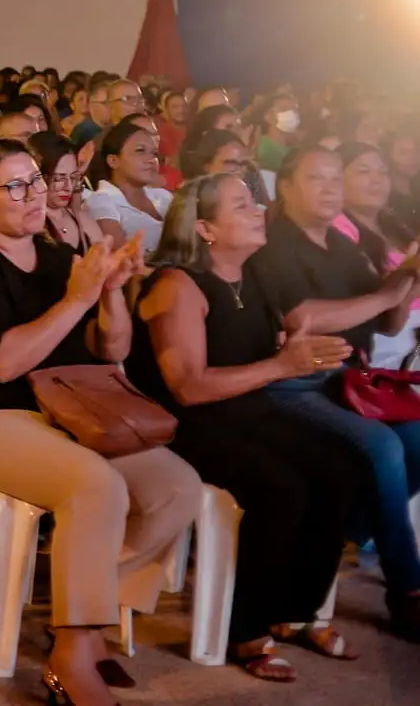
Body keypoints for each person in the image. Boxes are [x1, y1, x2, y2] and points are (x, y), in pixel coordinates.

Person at [0, 140, 202, 706]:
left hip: (65, 413)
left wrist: (111, 294)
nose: (33, 195)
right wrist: (77, 298)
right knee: (93, 485)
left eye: (36, 182)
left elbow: (110, 349)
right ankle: (72, 655)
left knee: (176, 488)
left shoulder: (55, 260)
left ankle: (88, 619)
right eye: (15, 186)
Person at [131, 173, 362, 680]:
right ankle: (245, 630)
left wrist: (294, 350)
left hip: (243, 410)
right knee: (280, 487)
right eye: (241, 204)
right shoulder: (177, 285)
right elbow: (186, 387)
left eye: (254, 200)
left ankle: (291, 611)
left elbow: (267, 352)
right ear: (206, 228)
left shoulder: (252, 275)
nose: (258, 209)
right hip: (183, 424)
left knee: (341, 466)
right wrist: (284, 365)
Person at [251, 144, 420, 639]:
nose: (331, 189)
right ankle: (408, 591)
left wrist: (407, 274)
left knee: (416, 440)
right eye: (317, 179)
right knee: (384, 445)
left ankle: (344, 532)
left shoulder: (345, 246)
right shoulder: (274, 242)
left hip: (351, 382)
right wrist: (385, 294)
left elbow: (388, 321)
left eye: (334, 180)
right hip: (294, 384)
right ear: (287, 187)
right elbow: (302, 319)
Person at [331, 141, 420, 369]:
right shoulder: (337, 227)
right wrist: (408, 274)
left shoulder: (392, 224)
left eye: (382, 172)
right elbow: (367, 299)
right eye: (364, 171)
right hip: (391, 340)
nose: (377, 179)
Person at [84, 119, 171, 255]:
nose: (151, 160)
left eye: (154, 153)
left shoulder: (164, 196)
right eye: (140, 151)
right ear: (113, 161)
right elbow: (123, 259)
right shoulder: (102, 201)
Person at [28, 131, 105, 256]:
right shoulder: (30, 224)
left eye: (73, 177)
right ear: (38, 177)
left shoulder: (82, 218)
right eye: (59, 178)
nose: (68, 186)